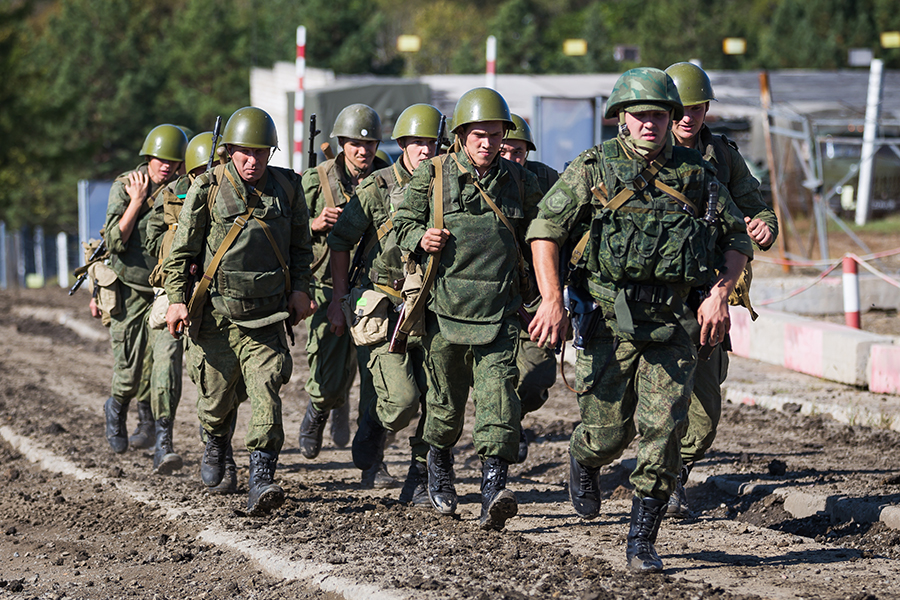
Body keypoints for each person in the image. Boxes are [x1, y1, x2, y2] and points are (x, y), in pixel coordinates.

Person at [526, 67, 754, 572]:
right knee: (609, 433)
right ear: (621, 119)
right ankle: (584, 457)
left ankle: (642, 539)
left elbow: (735, 239)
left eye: (658, 114)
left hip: (673, 322)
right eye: (639, 115)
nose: (649, 123)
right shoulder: (593, 168)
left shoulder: (698, 174)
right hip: (609, 318)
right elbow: (545, 231)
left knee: (663, 427)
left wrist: (719, 294)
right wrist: (550, 300)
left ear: (672, 117)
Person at [393, 88, 543, 530]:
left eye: (496, 136)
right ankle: (438, 464)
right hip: (443, 313)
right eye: (479, 135)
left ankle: (494, 487)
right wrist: (419, 238)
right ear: (460, 134)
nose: (488, 144)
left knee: (500, 404)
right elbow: (400, 224)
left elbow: (545, 231)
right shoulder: (433, 176)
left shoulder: (519, 181)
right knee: (444, 407)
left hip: (500, 313)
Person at [164, 106, 316, 515]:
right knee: (215, 402)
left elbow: (302, 248)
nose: (253, 161)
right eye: (245, 152)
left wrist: (301, 290)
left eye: (262, 153)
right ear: (229, 150)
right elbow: (181, 253)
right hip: (215, 316)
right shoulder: (207, 189)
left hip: (267, 317)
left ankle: (261, 477)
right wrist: (178, 299)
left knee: (267, 389)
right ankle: (216, 441)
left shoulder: (288, 189)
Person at [664, 61, 779, 517]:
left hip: (710, 294)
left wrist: (763, 228)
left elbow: (757, 208)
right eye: (679, 109)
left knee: (706, 412)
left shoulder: (723, 156)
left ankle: (673, 477)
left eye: (697, 107)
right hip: (653, 297)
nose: (688, 118)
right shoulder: (642, 153)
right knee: (651, 401)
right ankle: (650, 479)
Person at [326, 103, 442, 499]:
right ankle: (374, 432)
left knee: (437, 398)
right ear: (402, 145)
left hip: (429, 307)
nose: (425, 151)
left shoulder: (447, 187)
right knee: (398, 399)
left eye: (432, 143)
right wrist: (341, 296)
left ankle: (419, 477)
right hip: (383, 305)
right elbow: (340, 239)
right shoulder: (377, 188)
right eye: (417, 143)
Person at [298, 104, 391, 460]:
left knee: (375, 374)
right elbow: (289, 233)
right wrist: (314, 224)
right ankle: (319, 410)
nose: (363, 151)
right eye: (354, 144)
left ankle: (371, 456)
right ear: (340, 143)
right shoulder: (315, 181)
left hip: (373, 290)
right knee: (328, 372)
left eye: (369, 144)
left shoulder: (388, 178)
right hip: (326, 286)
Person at [102, 124, 187, 455]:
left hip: (165, 291)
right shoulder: (126, 185)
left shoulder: (184, 189)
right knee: (129, 370)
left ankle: (162, 438)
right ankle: (117, 408)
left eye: (172, 160)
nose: (165, 166)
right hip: (129, 288)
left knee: (165, 363)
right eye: (159, 159)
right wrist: (136, 201)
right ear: (148, 157)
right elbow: (114, 241)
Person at [143, 132, 221, 478]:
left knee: (211, 369)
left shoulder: (235, 201)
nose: (210, 174)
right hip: (172, 294)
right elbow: (151, 241)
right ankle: (163, 439)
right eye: (203, 169)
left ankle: (214, 440)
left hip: (212, 296)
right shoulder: (170, 198)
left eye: (216, 167)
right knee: (165, 364)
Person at [499, 113, 559, 463]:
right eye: (504, 150)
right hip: (488, 293)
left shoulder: (548, 180)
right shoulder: (479, 180)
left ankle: (513, 417)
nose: (510, 159)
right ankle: (500, 425)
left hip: (533, 296)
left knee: (537, 380)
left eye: (517, 152)